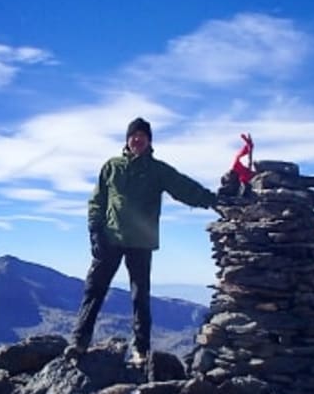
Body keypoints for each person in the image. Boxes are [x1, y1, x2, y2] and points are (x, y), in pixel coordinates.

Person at [65, 117, 218, 365]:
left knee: (140, 296)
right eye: (133, 135)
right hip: (110, 239)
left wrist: (211, 200)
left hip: (140, 242)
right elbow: (97, 201)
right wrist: (94, 230)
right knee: (94, 290)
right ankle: (78, 342)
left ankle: (141, 349)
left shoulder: (157, 170)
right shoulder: (111, 166)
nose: (137, 139)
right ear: (127, 139)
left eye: (142, 135)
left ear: (149, 141)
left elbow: (183, 187)